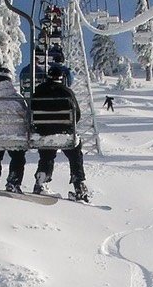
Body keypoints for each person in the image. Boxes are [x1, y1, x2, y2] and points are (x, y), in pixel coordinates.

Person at [31, 65, 89, 202]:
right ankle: (79, 185)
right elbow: (77, 115)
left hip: (44, 133)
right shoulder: (67, 92)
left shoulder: (38, 91)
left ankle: (41, 180)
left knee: (47, 155)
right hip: (64, 133)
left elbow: (31, 113)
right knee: (75, 154)